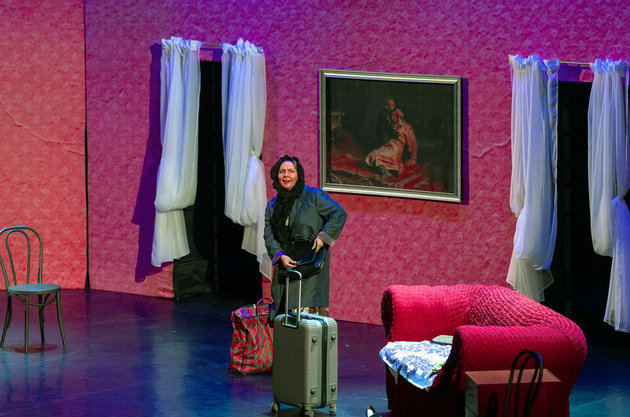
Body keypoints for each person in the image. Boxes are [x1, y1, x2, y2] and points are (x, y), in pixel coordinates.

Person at [264, 155, 347, 318]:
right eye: (282, 171)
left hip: (310, 265)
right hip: (285, 266)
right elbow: (269, 234)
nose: (286, 175)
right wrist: (279, 255)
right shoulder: (272, 205)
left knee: (307, 319)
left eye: (291, 171)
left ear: (298, 174)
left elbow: (339, 213)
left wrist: (323, 237)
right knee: (284, 315)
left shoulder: (314, 196)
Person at [366, 99, 418, 180]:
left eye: (397, 116)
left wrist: (413, 158)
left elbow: (413, 143)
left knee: (379, 157)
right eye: (394, 116)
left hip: (396, 148)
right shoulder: (392, 125)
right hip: (389, 145)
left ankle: (386, 171)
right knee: (372, 155)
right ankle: (388, 171)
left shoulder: (407, 127)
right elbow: (386, 133)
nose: (395, 118)